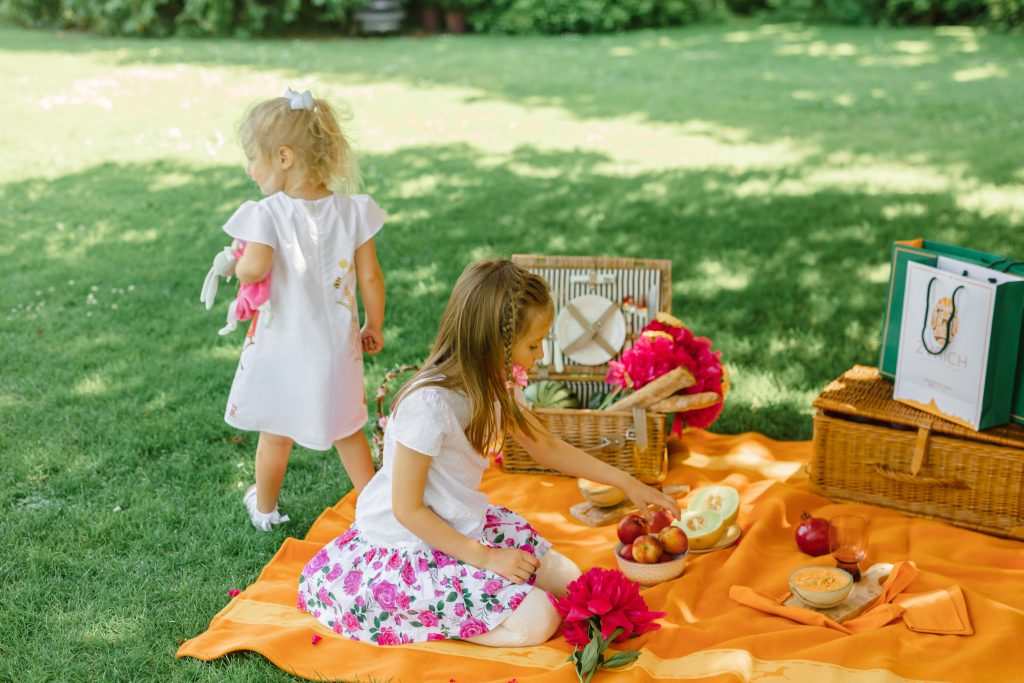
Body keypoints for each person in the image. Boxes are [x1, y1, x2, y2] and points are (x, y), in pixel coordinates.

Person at [297, 260, 680, 647]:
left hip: (461, 526)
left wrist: (626, 481)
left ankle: (477, 604)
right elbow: (407, 511)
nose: (541, 354)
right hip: (410, 544)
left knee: (569, 579)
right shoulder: (429, 405)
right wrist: (485, 559)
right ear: (495, 345)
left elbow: (544, 446)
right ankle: (427, 615)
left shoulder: (499, 382)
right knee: (539, 620)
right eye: (534, 344)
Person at [220, 88, 385, 531]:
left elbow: (254, 269)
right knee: (349, 429)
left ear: (285, 157)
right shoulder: (353, 211)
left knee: (275, 432)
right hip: (336, 344)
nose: (250, 169)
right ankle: (375, 506)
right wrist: (374, 323)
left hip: (284, 346)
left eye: (254, 158)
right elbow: (370, 277)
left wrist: (233, 262)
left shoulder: (267, 215)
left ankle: (266, 509)